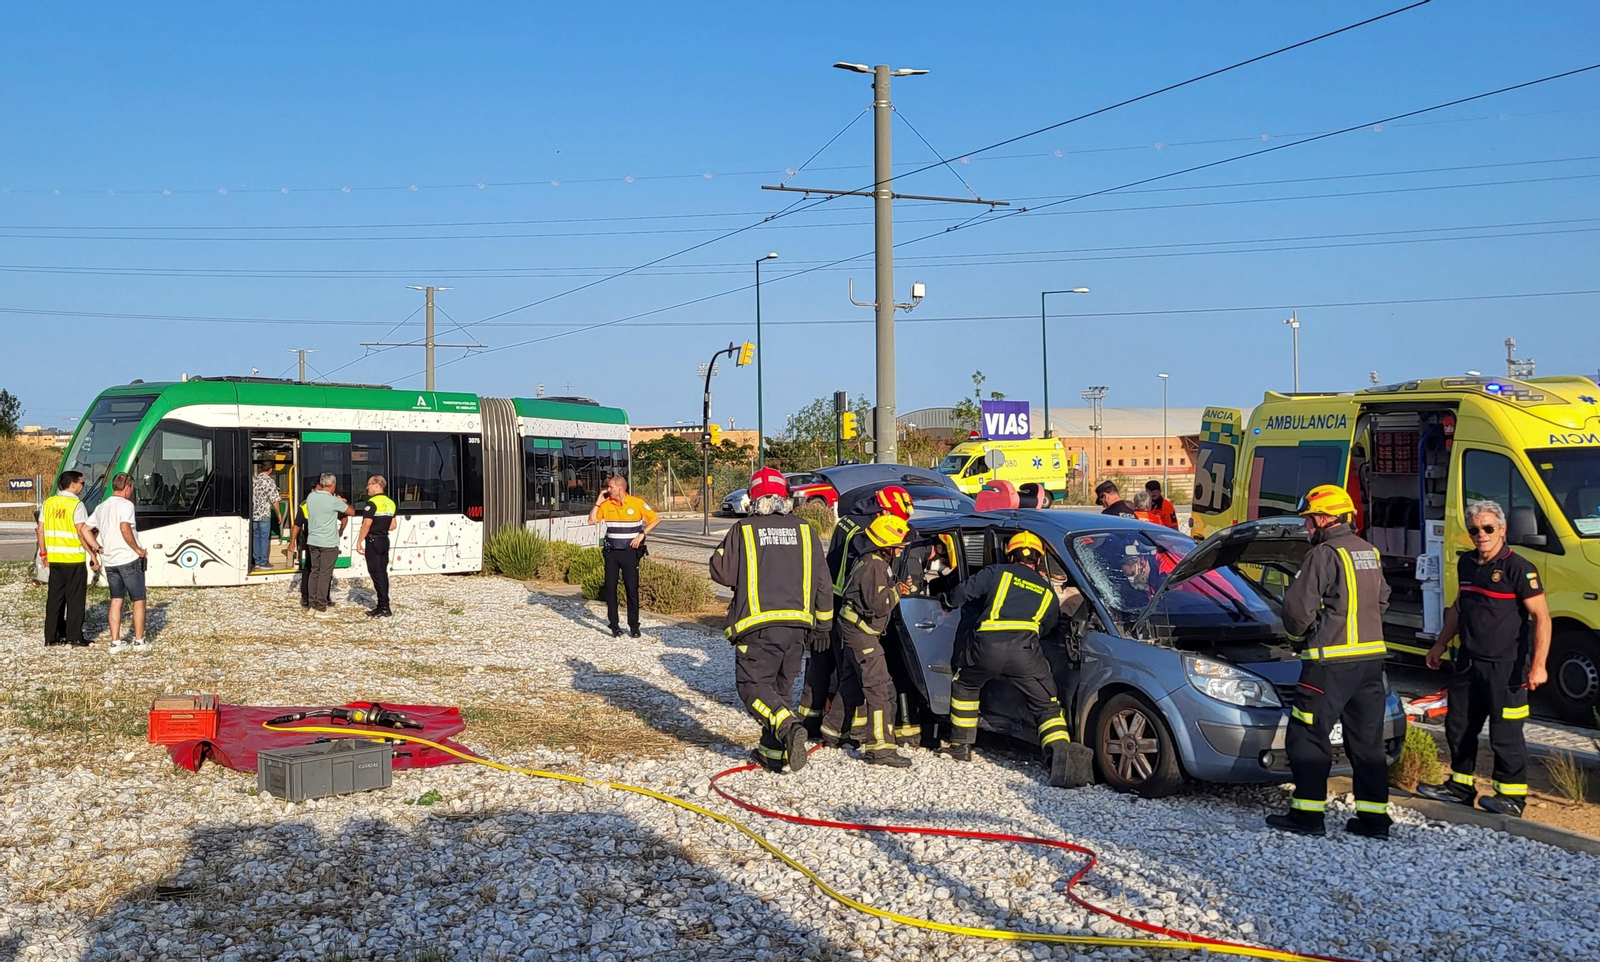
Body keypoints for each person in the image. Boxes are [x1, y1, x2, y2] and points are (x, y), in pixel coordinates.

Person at [1267, 484, 1392, 839]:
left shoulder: (1324, 553)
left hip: (1329, 664)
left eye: (1309, 520)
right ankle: (1374, 821)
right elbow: (1381, 601)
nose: (1306, 528)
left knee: (1308, 736)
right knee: (1367, 742)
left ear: (1324, 518)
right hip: (1370, 663)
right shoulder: (1370, 552)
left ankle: (1307, 816)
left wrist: (1298, 639)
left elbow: (1297, 609)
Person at [1416, 500, 1552, 817]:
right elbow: (1459, 606)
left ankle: (1511, 799)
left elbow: (1542, 618)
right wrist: (1439, 644)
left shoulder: (1520, 569)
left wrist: (1539, 665)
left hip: (1507, 668)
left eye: (1488, 528)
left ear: (1502, 530)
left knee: (1505, 735)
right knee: (1459, 727)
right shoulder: (1467, 565)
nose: (1481, 535)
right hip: (1468, 662)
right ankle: (1460, 788)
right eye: (1475, 529)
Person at [937, 531, 1094, 789]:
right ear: (1038, 560)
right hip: (1025, 652)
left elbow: (962, 593)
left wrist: (945, 601)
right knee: (1047, 705)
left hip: (985, 648)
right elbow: (1048, 626)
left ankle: (960, 746)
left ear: (1011, 554)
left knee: (966, 685)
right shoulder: (1046, 591)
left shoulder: (997, 572)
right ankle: (1059, 757)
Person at [709, 468, 834, 773]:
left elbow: (720, 572)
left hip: (758, 628)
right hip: (798, 630)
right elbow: (823, 582)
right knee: (779, 692)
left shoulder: (744, 530)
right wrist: (824, 625)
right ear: (785, 498)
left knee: (752, 687)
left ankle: (790, 728)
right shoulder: (806, 530)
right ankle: (774, 755)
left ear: (753, 499)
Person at [798, 485, 913, 739]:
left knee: (826, 664)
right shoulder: (869, 536)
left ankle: (814, 722)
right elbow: (873, 589)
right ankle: (853, 730)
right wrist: (897, 589)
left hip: (830, 599)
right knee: (860, 674)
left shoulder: (849, 519)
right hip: (849, 608)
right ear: (884, 511)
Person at [821, 514, 916, 768]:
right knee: (879, 688)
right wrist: (898, 591)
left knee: (851, 683)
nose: (900, 550)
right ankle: (880, 749)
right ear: (884, 544)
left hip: (851, 630)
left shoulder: (871, 561)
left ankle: (833, 732)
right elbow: (878, 605)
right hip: (861, 633)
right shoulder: (875, 565)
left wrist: (895, 586)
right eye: (898, 546)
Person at [589, 474, 660, 638]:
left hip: (630, 553)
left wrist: (642, 534)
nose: (607, 490)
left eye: (610, 487)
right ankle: (614, 625)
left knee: (632, 590)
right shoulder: (606, 504)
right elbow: (592, 521)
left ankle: (634, 626)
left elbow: (655, 519)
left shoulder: (637, 503)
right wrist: (598, 502)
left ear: (620, 488)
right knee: (611, 589)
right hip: (611, 553)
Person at [38, 471, 103, 647]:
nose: (83, 486)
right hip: (73, 558)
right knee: (75, 599)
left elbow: (40, 530)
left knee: (55, 599)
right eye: (81, 483)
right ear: (73, 484)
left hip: (55, 558)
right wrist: (93, 552)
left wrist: (43, 553)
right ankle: (74, 636)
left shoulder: (48, 503)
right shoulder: (76, 505)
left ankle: (51, 636)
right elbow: (82, 532)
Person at [91, 472, 149, 651]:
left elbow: (85, 529)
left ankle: (115, 642)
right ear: (128, 487)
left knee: (116, 600)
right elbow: (125, 527)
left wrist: (98, 548)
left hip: (110, 561)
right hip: (128, 558)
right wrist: (137, 550)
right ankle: (139, 641)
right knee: (138, 599)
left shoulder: (101, 507)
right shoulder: (126, 505)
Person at [301, 473, 354, 618]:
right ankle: (321, 607)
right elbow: (351, 511)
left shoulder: (311, 497)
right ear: (332, 485)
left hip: (312, 541)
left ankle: (312, 605)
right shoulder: (332, 500)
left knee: (314, 572)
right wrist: (340, 501)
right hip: (328, 543)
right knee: (325, 574)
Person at [357, 475, 398, 618]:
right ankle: (384, 603)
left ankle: (383, 606)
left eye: (368, 484)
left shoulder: (372, 503)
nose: (367, 487)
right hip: (384, 540)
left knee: (375, 572)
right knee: (383, 572)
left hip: (373, 541)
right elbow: (393, 525)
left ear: (375, 484)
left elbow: (366, 524)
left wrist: (359, 541)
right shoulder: (390, 502)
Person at [250, 461, 281, 570]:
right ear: (270, 469)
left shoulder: (254, 480)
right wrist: (279, 514)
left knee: (255, 537)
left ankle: (257, 561)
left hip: (253, 514)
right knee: (264, 538)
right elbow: (274, 499)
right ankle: (263, 562)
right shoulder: (269, 481)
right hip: (264, 514)